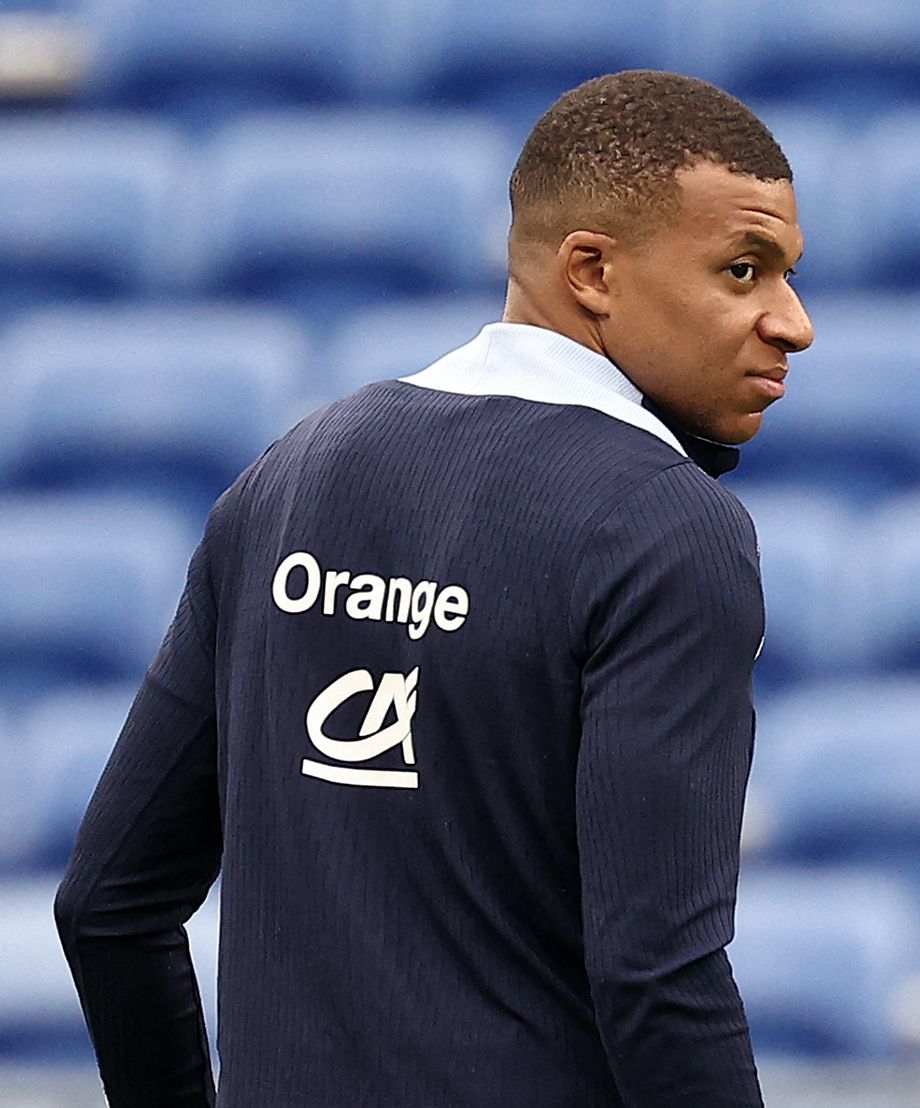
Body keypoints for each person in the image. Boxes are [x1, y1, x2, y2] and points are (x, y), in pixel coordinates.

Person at [53, 70, 811, 1107]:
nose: (793, 323)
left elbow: (108, 907)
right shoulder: (667, 527)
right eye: (743, 270)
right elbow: (656, 976)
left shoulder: (291, 473)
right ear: (591, 270)